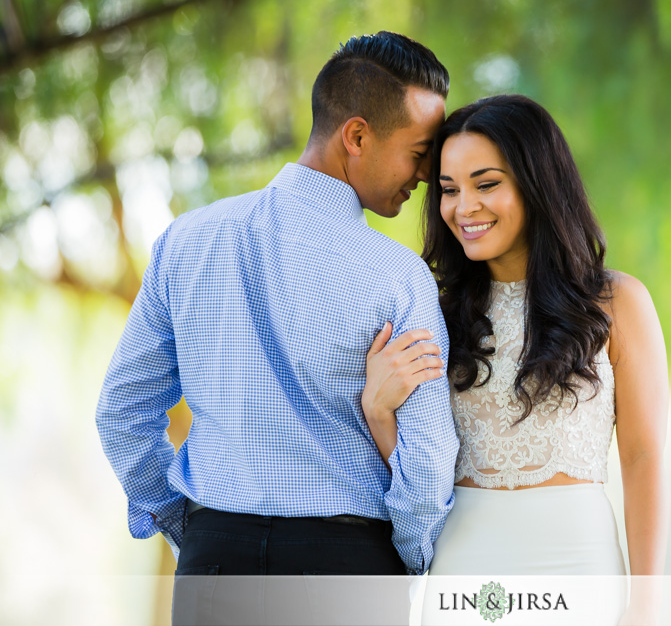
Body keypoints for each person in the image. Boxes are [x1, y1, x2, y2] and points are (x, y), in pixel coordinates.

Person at [96, 31, 459, 602]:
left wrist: (190, 530)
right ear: (357, 136)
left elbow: (122, 412)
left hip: (213, 564)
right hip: (346, 575)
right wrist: (413, 559)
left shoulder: (187, 241)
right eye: (419, 153)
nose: (423, 176)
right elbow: (428, 462)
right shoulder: (400, 277)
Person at [362, 94, 670, 624]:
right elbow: (421, 472)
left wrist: (644, 605)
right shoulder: (431, 311)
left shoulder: (617, 303)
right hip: (463, 575)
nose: (464, 207)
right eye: (449, 189)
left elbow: (643, 458)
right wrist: (378, 412)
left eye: (486, 184)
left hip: (579, 569)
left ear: (537, 182)